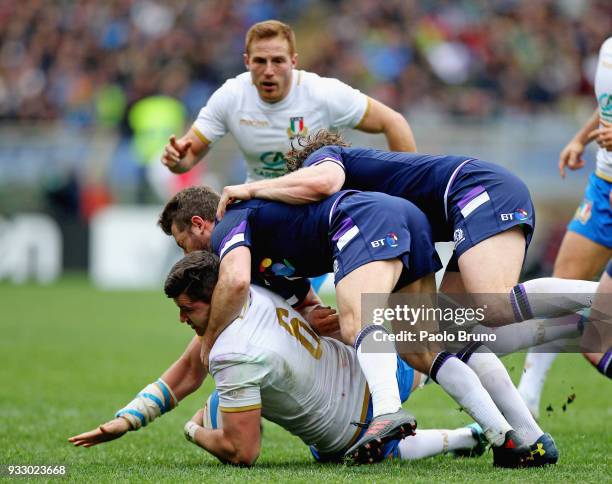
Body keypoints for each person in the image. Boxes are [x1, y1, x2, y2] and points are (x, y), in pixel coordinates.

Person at [158, 186, 557, 467]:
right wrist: (310, 316)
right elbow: (303, 303)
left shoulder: (233, 231)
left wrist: (209, 342)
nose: (187, 255)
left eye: (182, 245)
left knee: (367, 328)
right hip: (403, 220)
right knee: (429, 344)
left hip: (367, 231)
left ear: (199, 225)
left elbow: (237, 284)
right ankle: (500, 431)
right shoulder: (264, 249)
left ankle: (391, 413)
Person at [68, 251, 490, 466]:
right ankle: (474, 414)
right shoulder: (251, 290)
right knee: (431, 352)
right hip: (371, 368)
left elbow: (242, 452)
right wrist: (127, 419)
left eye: (187, 309)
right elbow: (188, 370)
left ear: (212, 299)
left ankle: (465, 430)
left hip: (348, 431)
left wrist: (192, 432)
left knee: (332, 450)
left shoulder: (232, 354)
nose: (181, 319)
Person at [215, 130, 598, 331]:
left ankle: (603, 300)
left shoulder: (324, 160)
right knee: (447, 324)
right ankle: (519, 431)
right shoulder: (359, 205)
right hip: (470, 200)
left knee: (491, 303)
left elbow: (323, 183)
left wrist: (249, 189)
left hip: (477, 189)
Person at [160, 20, 416, 181]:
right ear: (247, 61)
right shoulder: (231, 95)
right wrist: (176, 160)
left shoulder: (323, 93)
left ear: (293, 61)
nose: (269, 70)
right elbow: (188, 156)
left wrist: (411, 188)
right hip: (261, 201)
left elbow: (394, 122)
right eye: (260, 61)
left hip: (319, 203)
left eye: (278, 61)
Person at [518, 36, 612, 417]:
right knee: (562, 289)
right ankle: (527, 396)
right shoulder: (607, 47)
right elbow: (606, 108)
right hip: (604, 188)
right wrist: (579, 138)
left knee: (596, 338)